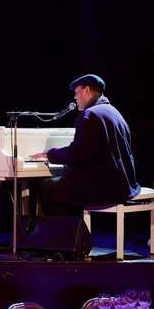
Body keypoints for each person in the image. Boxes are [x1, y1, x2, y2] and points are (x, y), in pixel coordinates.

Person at [32, 74, 140, 216]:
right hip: (124, 184)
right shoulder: (114, 112)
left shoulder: (90, 115)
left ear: (87, 90)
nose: (75, 98)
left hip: (105, 187)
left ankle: (69, 236)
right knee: (65, 184)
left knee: (47, 187)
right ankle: (76, 233)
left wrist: (50, 154)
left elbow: (78, 154)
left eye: (76, 92)